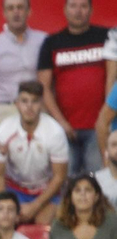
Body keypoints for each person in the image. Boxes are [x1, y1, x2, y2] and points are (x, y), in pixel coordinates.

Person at [36, 0, 106, 178]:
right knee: (66, 185)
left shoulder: (107, 37)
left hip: (99, 127)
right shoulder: (52, 42)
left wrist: (106, 119)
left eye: (83, 6)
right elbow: (43, 88)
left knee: (99, 183)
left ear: (91, 10)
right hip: (65, 129)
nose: (78, 11)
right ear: (65, 10)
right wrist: (61, 123)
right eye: (73, 6)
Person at [0, 81, 68, 225]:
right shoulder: (3, 131)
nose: (29, 107)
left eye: (35, 101)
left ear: (42, 104)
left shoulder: (55, 132)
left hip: (46, 190)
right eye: (24, 101)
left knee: (42, 226)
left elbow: (59, 177)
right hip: (14, 188)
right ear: (16, 103)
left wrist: (35, 206)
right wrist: (4, 208)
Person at [0, 0, 46, 130]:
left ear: (29, 12)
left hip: (38, 111)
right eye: (11, 8)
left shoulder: (43, 41)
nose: (16, 12)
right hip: (4, 112)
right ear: (4, 13)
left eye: (20, 7)